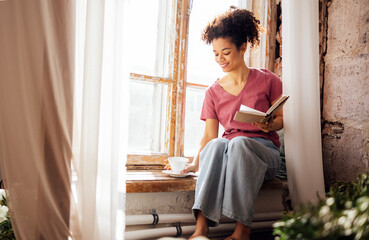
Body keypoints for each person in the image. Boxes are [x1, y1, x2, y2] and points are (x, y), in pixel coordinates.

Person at [182, 6, 283, 240]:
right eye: (216, 54)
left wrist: (270, 125)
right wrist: (194, 164)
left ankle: (242, 230)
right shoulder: (213, 92)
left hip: (264, 155)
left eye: (225, 52)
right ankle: (201, 230)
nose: (220, 59)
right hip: (231, 152)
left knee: (238, 143)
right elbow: (209, 136)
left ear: (243, 47)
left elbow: (281, 120)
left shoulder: (268, 79)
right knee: (217, 145)